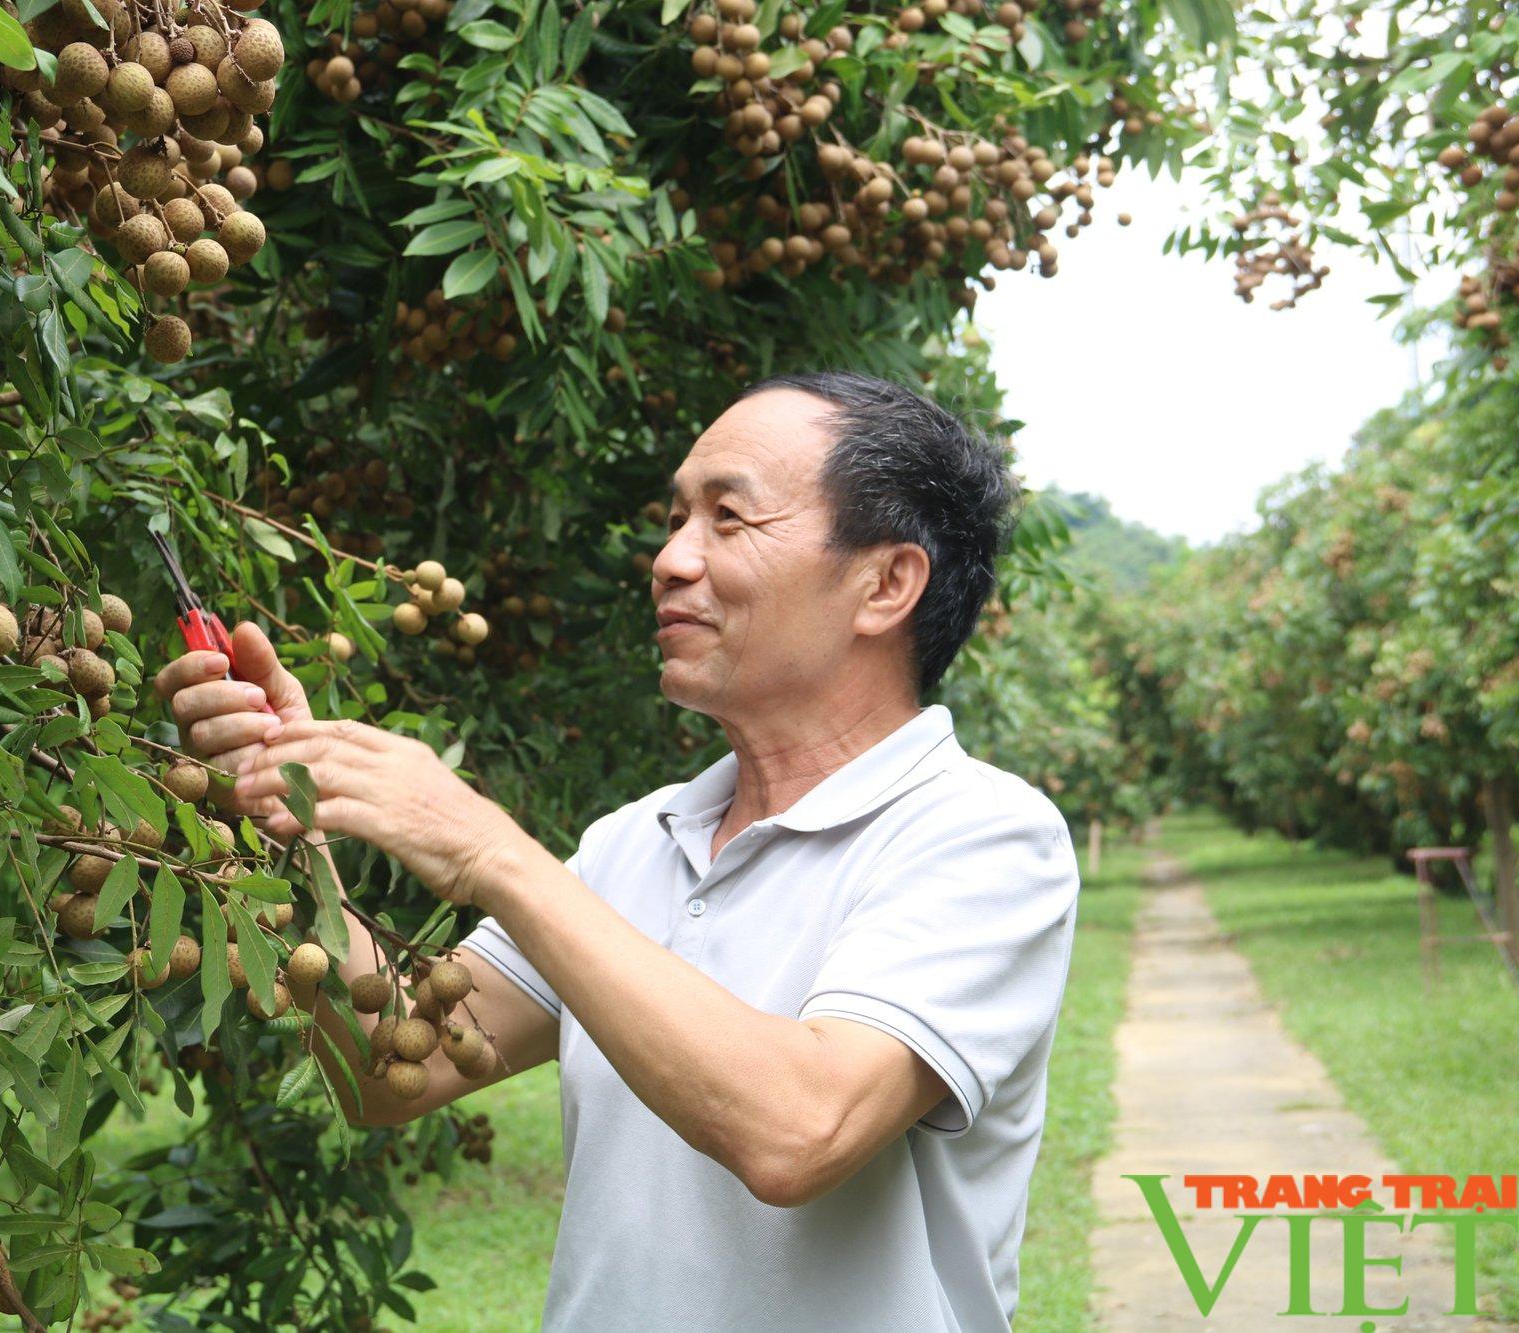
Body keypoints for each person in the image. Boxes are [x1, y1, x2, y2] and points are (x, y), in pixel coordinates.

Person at [153, 370, 1082, 1332]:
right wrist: (293, 834)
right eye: (676, 517)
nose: (672, 559)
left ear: (885, 583)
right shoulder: (634, 844)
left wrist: (488, 849)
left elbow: (802, 1129)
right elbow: (391, 1071)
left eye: (730, 518)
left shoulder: (983, 837)